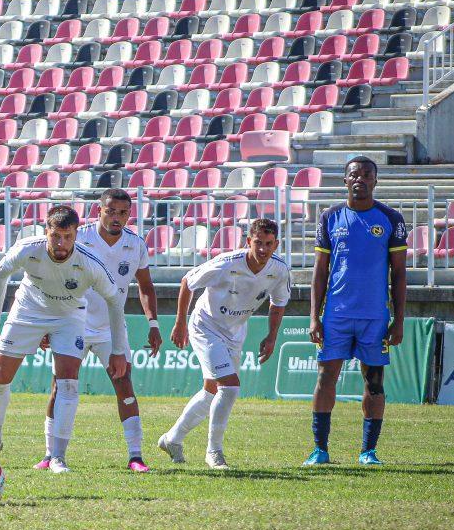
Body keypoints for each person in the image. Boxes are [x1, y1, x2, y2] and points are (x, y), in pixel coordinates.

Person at [0, 205, 128, 474]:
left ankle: (58, 456)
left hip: (68, 317)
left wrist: (118, 350)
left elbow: (115, 301)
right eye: (55, 236)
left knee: (68, 383)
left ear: (75, 235)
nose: (61, 244)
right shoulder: (27, 248)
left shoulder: (89, 262)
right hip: (28, 310)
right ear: (46, 231)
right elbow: (0, 274)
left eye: (68, 237)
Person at [33, 189, 162, 473]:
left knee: (124, 384)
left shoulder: (136, 244)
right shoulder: (79, 238)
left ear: (130, 214)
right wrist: (46, 322)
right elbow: (51, 279)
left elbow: (145, 286)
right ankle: (50, 454)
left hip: (110, 328)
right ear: (99, 210)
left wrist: (153, 323)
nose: (116, 218)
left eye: (123, 213)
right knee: (60, 386)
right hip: (72, 322)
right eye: (111, 211)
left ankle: (136, 455)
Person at [158, 219, 291, 469]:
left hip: (235, 331)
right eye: (258, 243)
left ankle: (172, 439)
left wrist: (272, 336)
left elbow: (279, 302)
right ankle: (214, 452)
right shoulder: (226, 263)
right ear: (248, 242)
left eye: (269, 244)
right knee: (229, 387)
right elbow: (188, 281)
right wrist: (180, 323)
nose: (263, 249)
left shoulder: (279, 270)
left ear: (276, 245)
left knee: (212, 390)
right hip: (205, 326)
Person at [304, 156, 407, 467]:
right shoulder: (330, 217)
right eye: (354, 175)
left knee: (374, 383)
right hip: (336, 315)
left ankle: (368, 451)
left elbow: (399, 275)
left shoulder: (391, 218)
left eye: (366, 175)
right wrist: (314, 317)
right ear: (344, 181)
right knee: (325, 378)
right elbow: (320, 272)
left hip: (375, 317)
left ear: (375, 181)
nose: (360, 179)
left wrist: (398, 320)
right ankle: (320, 450)